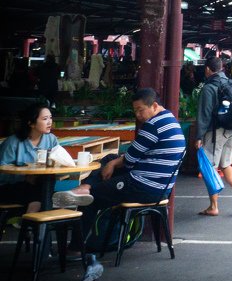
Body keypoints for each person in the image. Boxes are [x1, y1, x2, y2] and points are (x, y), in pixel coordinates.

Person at [52, 88, 185, 247]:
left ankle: (77, 247)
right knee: (110, 158)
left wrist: (114, 164)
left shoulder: (153, 125)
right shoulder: (170, 119)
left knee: (91, 197)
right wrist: (114, 162)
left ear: (154, 106)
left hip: (144, 187)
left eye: (140, 110)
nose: (137, 115)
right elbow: (131, 159)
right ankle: (85, 186)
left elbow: (129, 160)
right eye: (135, 110)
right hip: (160, 187)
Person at [196, 57, 232, 215]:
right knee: (226, 165)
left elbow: (204, 115)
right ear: (221, 68)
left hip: (216, 132)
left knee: (210, 168)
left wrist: (198, 136)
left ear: (207, 69)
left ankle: (213, 207)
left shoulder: (209, 88)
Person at [0, 103, 59, 214]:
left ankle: (31, 223)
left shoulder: (51, 140)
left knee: (45, 184)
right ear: (31, 123)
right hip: (9, 187)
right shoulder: (13, 143)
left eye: (51, 118)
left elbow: (58, 161)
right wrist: (25, 178)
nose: (50, 122)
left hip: (39, 185)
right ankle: (34, 223)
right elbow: (2, 172)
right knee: (42, 194)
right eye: (45, 119)